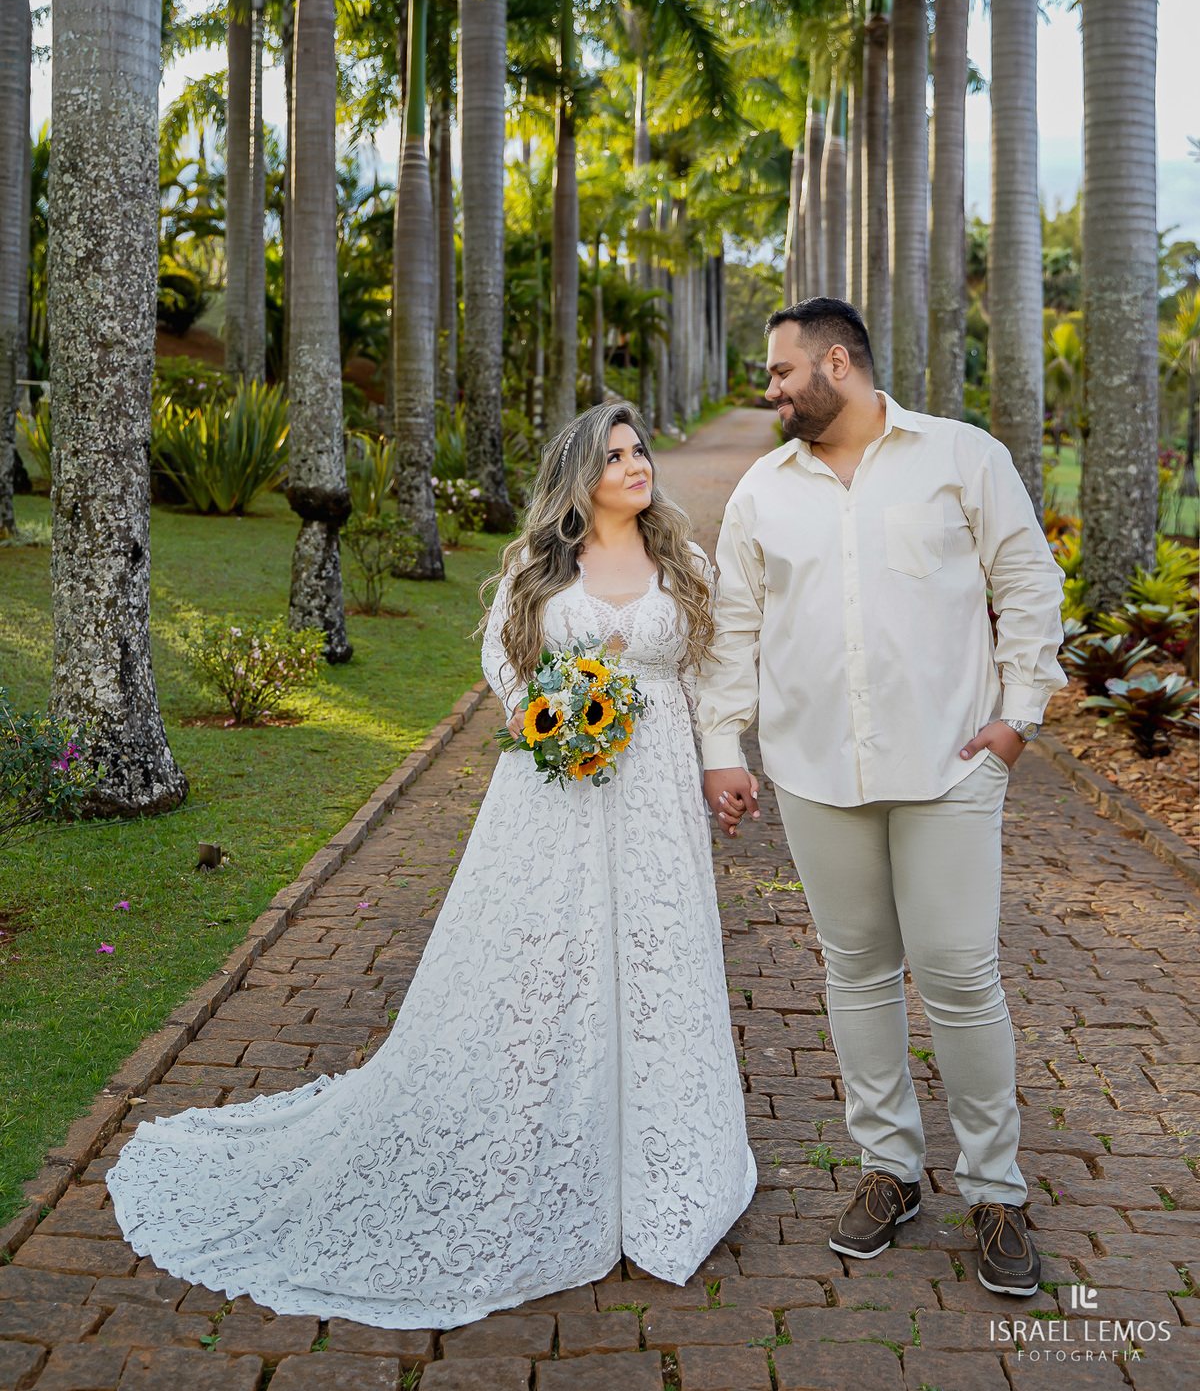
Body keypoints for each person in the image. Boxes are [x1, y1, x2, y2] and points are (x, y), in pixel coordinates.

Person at [108, 402, 754, 1328]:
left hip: (653, 796)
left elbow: (704, 672)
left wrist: (717, 759)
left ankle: (667, 1173)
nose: (635, 465)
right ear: (580, 476)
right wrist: (558, 710)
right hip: (556, 794)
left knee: (657, 957)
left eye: (639, 450)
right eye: (614, 456)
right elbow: (505, 662)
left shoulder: (684, 565)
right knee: (543, 962)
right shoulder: (542, 571)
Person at [697, 298, 1065, 1299]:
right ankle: (892, 1172)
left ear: (840, 363)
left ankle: (996, 1190)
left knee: (957, 971)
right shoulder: (762, 493)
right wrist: (724, 746)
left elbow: (1028, 579)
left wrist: (1018, 715)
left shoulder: (960, 456)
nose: (769, 390)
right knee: (856, 973)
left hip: (949, 767)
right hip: (816, 771)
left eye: (781, 372)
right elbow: (734, 630)